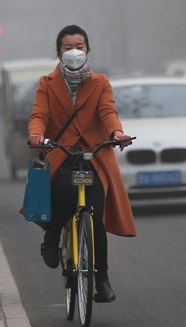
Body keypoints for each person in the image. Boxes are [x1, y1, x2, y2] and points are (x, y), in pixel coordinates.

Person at [26, 24, 136, 303]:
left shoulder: (100, 83)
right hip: (62, 153)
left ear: (88, 50)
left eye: (79, 46)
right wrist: (37, 134)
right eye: (67, 47)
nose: (74, 52)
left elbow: (108, 111)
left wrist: (116, 133)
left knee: (95, 217)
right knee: (63, 193)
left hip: (94, 156)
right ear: (58, 52)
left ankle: (102, 279)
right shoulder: (46, 83)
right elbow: (39, 114)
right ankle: (52, 235)